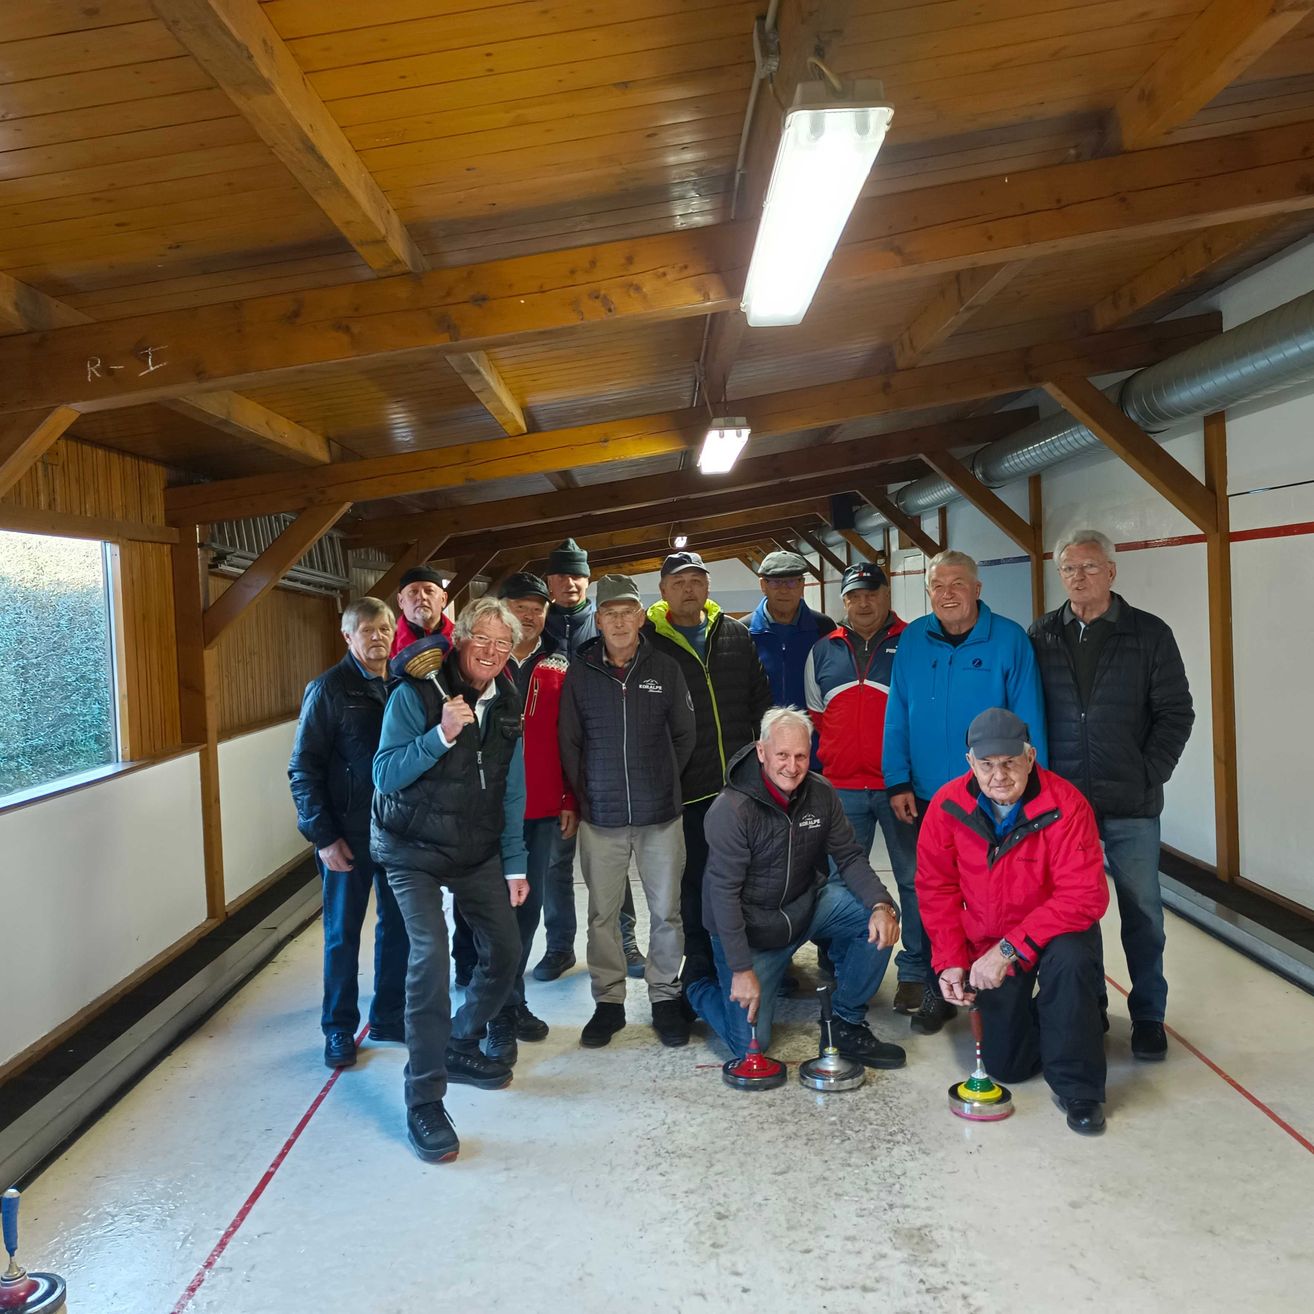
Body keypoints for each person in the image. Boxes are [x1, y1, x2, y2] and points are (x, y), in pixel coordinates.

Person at [371, 597, 529, 1164]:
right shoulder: (415, 694)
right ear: (459, 639)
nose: (491, 653)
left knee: (507, 951)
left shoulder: (507, 699)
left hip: (475, 848)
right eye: (481, 640)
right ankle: (424, 1097)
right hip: (410, 848)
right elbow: (384, 774)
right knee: (431, 959)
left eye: (502, 645)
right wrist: (438, 736)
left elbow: (512, 786)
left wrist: (514, 861)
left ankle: (458, 1039)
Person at [1030, 530, 1194, 1061]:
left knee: (1143, 912)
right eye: (1069, 569)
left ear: (1112, 571)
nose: (1080, 577)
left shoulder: (1149, 634)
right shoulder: (1042, 635)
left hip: (1132, 805)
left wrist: (1149, 772)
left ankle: (1148, 1014)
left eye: (1090, 567)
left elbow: (1176, 713)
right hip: (1065, 806)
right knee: (1078, 911)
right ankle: (1093, 1003)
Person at [917, 708, 1110, 1136]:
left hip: (1054, 933)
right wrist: (950, 960)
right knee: (1010, 1067)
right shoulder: (947, 806)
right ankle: (1074, 1015)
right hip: (989, 942)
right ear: (970, 763)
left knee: (1072, 960)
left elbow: (1085, 895)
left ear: (1031, 757)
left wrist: (1008, 950)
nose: (998, 776)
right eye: (986, 765)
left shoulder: (1067, 805)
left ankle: (1081, 1089)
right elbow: (936, 890)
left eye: (1009, 763)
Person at [882, 549, 1049, 1033]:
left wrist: (1031, 794)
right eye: (937, 585)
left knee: (996, 894)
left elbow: (1029, 719)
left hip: (994, 798)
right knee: (930, 893)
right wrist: (898, 779)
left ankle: (1000, 986)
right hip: (931, 798)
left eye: (958, 583)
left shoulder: (1009, 640)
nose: (948, 593)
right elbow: (898, 713)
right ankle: (939, 985)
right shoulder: (912, 641)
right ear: (928, 592)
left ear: (978, 589)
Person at [686, 708, 906, 1067]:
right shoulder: (732, 809)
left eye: (801, 756)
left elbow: (850, 857)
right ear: (761, 752)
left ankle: (845, 1020)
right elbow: (722, 895)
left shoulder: (821, 793)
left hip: (805, 907)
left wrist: (882, 905)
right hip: (751, 929)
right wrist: (742, 970)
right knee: (750, 1045)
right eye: (782, 755)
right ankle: (697, 983)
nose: (792, 766)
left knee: (878, 914)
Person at [558, 575, 697, 1048]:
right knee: (602, 914)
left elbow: (684, 735)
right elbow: (570, 741)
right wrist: (588, 795)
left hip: (661, 816)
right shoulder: (580, 671)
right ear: (597, 620)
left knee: (666, 911)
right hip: (602, 817)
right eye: (609, 614)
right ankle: (608, 1002)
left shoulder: (666, 668)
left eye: (627, 613)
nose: (619, 621)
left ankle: (664, 997)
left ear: (641, 616)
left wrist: (660, 781)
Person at [803, 561, 931, 1021]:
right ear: (844, 601)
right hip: (842, 790)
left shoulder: (914, 642)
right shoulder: (823, 651)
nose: (864, 602)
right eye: (855, 595)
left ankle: (915, 972)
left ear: (887, 593)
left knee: (915, 881)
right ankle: (841, 963)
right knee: (840, 886)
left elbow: (923, 711)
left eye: (872, 593)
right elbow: (817, 720)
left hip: (900, 788)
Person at [288, 597, 409, 1071]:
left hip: (397, 833)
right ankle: (338, 1028)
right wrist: (323, 837)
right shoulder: (328, 690)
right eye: (367, 630)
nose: (377, 637)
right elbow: (303, 768)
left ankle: (388, 1015)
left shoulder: (402, 683)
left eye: (384, 628)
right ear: (347, 637)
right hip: (348, 835)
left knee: (398, 927)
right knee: (342, 935)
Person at [646, 549, 772, 972]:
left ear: (707, 587)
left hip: (739, 787)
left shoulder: (735, 634)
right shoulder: (650, 640)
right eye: (679, 582)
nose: (689, 589)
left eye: (696, 580)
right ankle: (698, 959)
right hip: (688, 789)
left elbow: (760, 702)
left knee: (749, 874)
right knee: (694, 879)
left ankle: (758, 954)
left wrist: (765, 768)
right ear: (663, 591)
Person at [476, 572, 576, 1065]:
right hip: (487, 813)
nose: (531, 613)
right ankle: (493, 1014)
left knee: (526, 913)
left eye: (539, 606)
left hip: (539, 810)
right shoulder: (483, 661)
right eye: (520, 605)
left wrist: (569, 797)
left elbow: (571, 734)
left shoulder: (561, 657)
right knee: (494, 919)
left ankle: (511, 1002)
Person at [534, 539, 646, 982]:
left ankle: (627, 940)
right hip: (552, 769)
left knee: (612, 861)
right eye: (561, 575)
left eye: (578, 575)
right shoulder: (534, 632)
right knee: (555, 865)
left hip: (601, 768)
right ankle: (559, 946)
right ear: (549, 582)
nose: (570, 583)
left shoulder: (605, 630)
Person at [747, 550, 834, 711]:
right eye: (775, 582)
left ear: (802, 585)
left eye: (792, 582)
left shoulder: (824, 627)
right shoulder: (744, 631)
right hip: (762, 733)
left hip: (810, 733)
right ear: (763, 585)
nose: (784, 590)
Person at [389, 564, 454, 656]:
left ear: (443, 599)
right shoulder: (387, 642)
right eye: (413, 592)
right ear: (401, 601)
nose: (421, 597)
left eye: (429, 591)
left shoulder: (461, 640)